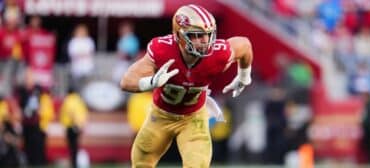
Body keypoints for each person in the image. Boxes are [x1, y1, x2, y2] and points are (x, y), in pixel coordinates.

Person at [120, 4, 253, 168]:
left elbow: (245, 45)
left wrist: (244, 75)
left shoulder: (218, 54)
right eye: (197, 35)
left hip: (193, 118)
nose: (205, 42)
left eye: (208, 35)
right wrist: (151, 82)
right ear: (178, 35)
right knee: (141, 164)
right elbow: (126, 81)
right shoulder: (163, 51)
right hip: (161, 116)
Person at [59, 87, 88, 168]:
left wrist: (66, 126)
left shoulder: (67, 100)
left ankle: (74, 163)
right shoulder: (79, 100)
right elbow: (84, 113)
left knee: (72, 147)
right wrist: (82, 125)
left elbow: (67, 113)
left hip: (70, 126)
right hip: (78, 126)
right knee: (76, 146)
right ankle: (76, 163)